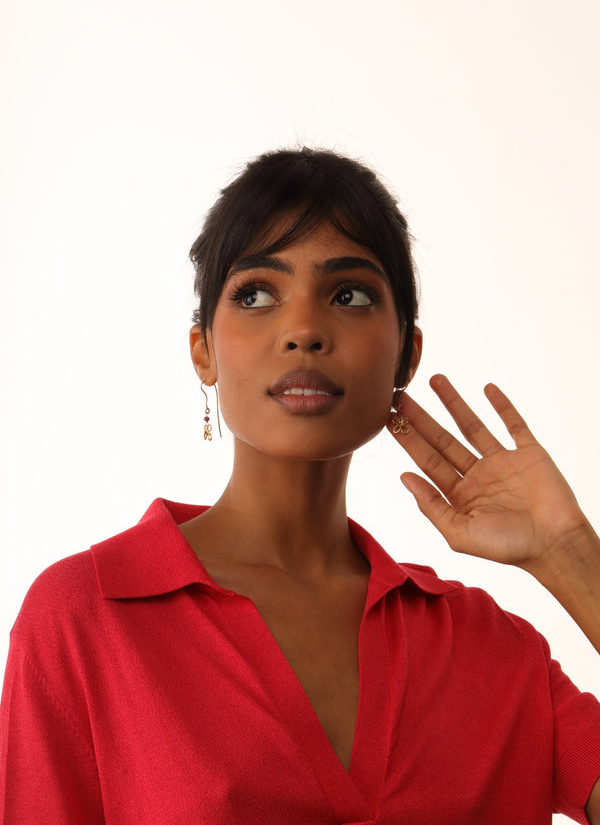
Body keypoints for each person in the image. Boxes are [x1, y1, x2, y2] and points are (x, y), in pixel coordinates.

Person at [1, 147, 600, 823]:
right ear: (203, 349)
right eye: (256, 294)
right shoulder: (87, 618)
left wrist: (570, 553)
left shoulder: (495, 651)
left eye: (350, 294)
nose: (305, 330)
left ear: (407, 351)